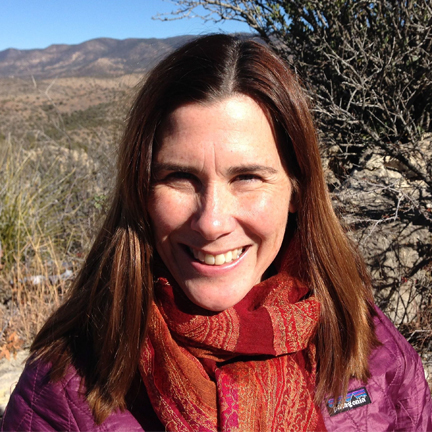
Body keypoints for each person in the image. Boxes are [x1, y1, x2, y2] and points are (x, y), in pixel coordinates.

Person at [1, 34, 431, 432]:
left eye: (246, 177)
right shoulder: (65, 391)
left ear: (297, 190)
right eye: (180, 177)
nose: (212, 221)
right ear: (141, 191)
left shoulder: (366, 342)